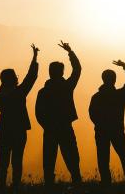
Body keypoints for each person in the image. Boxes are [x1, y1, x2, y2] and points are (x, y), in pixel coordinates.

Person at [0, 43, 40, 192]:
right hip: (19, 130)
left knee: (3, 161)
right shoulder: (19, 92)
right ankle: (15, 187)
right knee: (17, 161)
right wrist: (35, 57)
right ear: (14, 79)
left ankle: (1, 187)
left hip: (4, 130)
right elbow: (31, 77)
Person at [35, 41, 82, 186]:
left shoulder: (43, 91)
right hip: (65, 127)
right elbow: (77, 69)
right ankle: (77, 181)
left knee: (49, 159)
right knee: (72, 157)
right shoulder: (66, 87)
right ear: (61, 72)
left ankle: (49, 184)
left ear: (50, 72)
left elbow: (38, 113)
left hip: (49, 129)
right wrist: (70, 51)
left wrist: (47, 125)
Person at [88, 59, 125, 187]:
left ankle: (106, 183)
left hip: (101, 131)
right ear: (114, 80)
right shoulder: (119, 95)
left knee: (103, 159)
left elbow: (92, 114)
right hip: (117, 131)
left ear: (103, 79)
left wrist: (100, 124)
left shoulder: (96, 97)